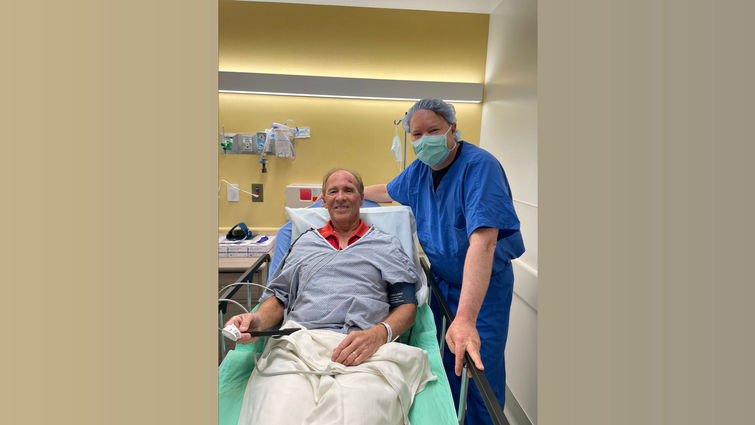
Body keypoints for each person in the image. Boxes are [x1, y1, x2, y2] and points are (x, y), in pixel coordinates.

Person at [226, 168, 432, 425]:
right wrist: (255, 321)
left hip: (364, 349)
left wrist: (379, 334)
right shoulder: (303, 244)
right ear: (323, 200)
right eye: (333, 191)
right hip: (299, 345)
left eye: (349, 190)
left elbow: (407, 306)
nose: (340, 197)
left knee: (359, 416)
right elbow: (279, 298)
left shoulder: (386, 245)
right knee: (275, 414)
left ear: (360, 198)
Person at [364, 99, 525, 425]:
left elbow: (483, 241)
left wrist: (466, 317)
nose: (424, 140)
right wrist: (348, 192)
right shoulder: (421, 170)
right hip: (442, 281)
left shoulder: (480, 167)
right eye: (417, 134)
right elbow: (389, 191)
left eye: (433, 130)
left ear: (453, 129)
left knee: (480, 368)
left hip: (484, 289)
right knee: (445, 365)